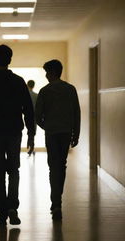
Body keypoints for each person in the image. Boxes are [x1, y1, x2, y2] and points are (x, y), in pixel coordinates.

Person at [0, 45, 35, 225]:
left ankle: (1, 210)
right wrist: (31, 135)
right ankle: (12, 207)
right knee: (14, 170)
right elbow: (28, 110)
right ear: (10, 59)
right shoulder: (18, 81)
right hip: (13, 131)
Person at [35, 59, 81, 220]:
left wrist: (46, 126)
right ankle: (57, 200)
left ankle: (56, 203)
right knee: (61, 165)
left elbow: (37, 116)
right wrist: (76, 133)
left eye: (47, 72)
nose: (46, 75)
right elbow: (76, 112)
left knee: (53, 166)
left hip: (52, 133)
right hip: (66, 132)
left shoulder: (45, 91)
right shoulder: (70, 89)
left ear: (52, 72)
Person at [27, 80, 38, 155]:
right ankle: (31, 146)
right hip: (34, 117)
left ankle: (30, 146)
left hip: (26, 116)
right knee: (32, 132)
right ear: (33, 86)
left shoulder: (24, 94)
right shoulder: (36, 95)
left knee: (29, 132)